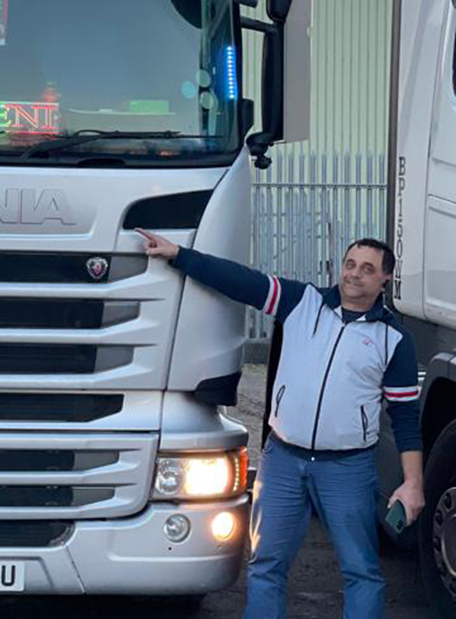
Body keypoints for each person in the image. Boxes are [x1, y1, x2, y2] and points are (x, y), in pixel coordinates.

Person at [135, 227, 423, 619]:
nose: (354, 273)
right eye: (349, 263)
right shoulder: (301, 302)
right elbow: (241, 282)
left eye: (367, 268)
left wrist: (413, 483)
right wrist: (179, 255)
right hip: (283, 461)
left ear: (385, 278)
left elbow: (406, 417)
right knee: (266, 564)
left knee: (361, 571)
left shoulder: (395, 340)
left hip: (348, 469)